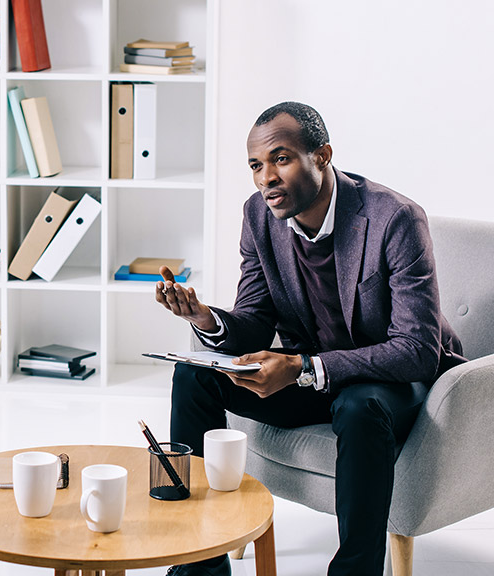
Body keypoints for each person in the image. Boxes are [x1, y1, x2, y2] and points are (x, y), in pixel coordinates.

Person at [155, 102, 464, 576]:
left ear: (321, 156)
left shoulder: (394, 219)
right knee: (194, 376)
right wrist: (206, 319)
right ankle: (199, 563)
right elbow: (255, 320)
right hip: (312, 376)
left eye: (281, 159)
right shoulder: (259, 216)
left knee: (360, 407)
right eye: (256, 166)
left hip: (393, 381)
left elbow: (417, 350)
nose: (265, 179)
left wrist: (302, 367)